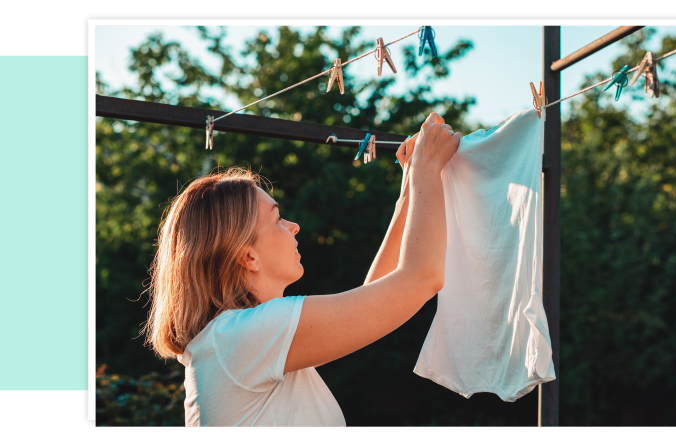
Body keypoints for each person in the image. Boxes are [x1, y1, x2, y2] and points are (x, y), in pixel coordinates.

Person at [142, 112, 463, 426]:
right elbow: (420, 278)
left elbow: (372, 301)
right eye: (277, 219)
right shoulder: (242, 337)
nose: (293, 226)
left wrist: (408, 194)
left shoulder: (237, 341)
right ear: (248, 256)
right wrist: (427, 167)